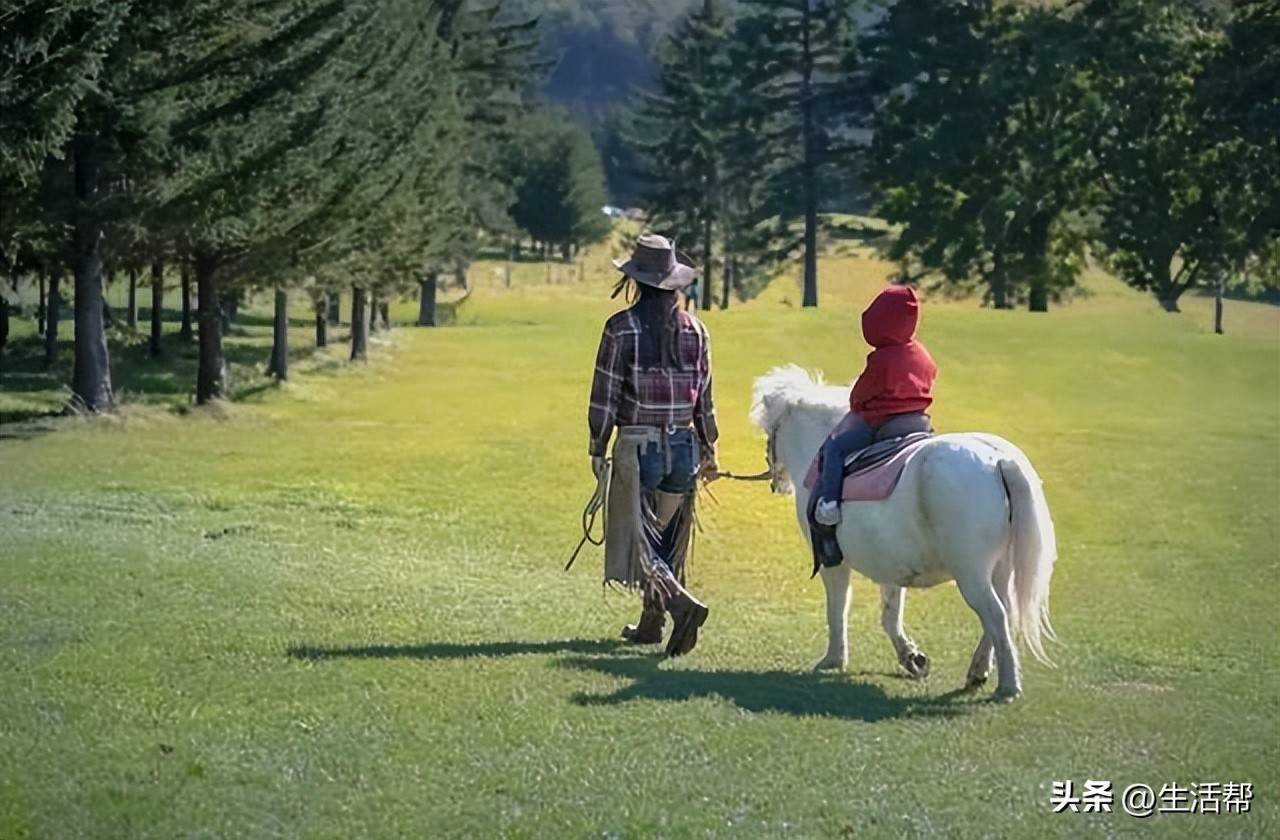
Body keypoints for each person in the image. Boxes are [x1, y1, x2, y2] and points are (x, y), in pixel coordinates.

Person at [588, 233, 719, 656]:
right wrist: (709, 447)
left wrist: (596, 444)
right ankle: (651, 622)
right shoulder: (697, 331)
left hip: (638, 448)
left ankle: (682, 607)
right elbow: (704, 397)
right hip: (683, 446)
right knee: (665, 541)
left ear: (637, 281)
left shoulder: (620, 327)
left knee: (638, 543)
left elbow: (605, 394)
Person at [814, 286, 937, 526]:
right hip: (920, 423)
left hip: (884, 425)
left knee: (834, 449)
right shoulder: (922, 353)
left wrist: (859, 405)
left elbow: (860, 396)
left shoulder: (882, 359)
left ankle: (829, 504)